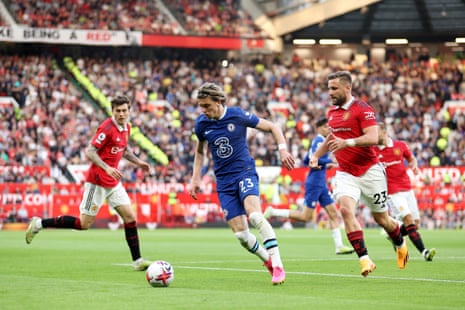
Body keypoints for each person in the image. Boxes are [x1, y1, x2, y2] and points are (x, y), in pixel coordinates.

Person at [25, 95, 153, 271]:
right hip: (97, 182)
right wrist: (107, 167)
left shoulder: (127, 128)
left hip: (113, 182)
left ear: (129, 110)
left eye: (124, 110)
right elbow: (90, 151)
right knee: (83, 224)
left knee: (130, 218)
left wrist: (138, 162)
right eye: (118, 111)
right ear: (112, 111)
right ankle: (39, 224)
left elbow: (124, 149)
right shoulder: (107, 128)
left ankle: (137, 261)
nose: (122, 114)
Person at [189, 82, 295, 285]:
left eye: (206, 105)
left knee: (254, 214)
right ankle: (268, 261)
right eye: (201, 106)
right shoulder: (201, 124)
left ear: (219, 102)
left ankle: (278, 264)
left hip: (244, 172)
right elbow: (200, 151)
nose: (203, 110)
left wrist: (282, 150)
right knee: (241, 236)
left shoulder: (237, 115)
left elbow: (273, 126)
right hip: (223, 181)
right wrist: (196, 178)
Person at [309, 71, 408, 277]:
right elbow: (331, 138)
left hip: (370, 171)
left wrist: (349, 142)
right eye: (329, 89)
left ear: (348, 88)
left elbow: (373, 137)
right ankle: (364, 259)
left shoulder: (363, 109)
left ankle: (400, 242)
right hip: (345, 173)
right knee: (346, 211)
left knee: (382, 219)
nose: (330, 93)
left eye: (334, 88)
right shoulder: (332, 113)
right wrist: (317, 155)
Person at [264, 117, 354, 255]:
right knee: (305, 216)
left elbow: (307, 159)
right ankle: (273, 212)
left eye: (329, 127)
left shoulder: (318, 141)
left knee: (333, 213)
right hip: (315, 182)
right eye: (325, 127)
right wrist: (329, 161)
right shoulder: (319, 141)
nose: (328, 129)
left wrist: (324, 163)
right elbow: (314, 158)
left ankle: (339, 246)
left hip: (320, 182)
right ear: (318, 128)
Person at [376, 122, 436, 261]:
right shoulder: (373, 150)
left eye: (376, 132)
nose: (373, 135)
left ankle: (394, 234)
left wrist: (414, 166)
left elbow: (411, 158)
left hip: (407, 189)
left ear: (384, 132)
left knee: (415, 224)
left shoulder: (400, 145)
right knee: (408, 220)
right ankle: (425, 253)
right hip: (392, 192)